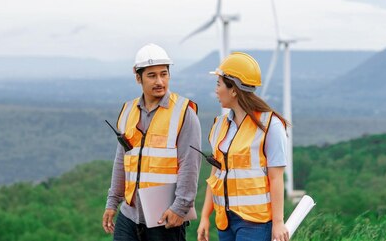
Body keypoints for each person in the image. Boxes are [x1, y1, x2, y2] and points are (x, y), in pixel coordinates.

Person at [103, 43, 202, 241]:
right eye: (152, 75)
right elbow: (121, 161)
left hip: (165, 217)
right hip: (129, 215)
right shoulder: (128, 111)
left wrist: (180, 208)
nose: (160, 81)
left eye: (164, 74)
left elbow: (190, 166)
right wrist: (112, 202)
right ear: (138, 77)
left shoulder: (184, 113)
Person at [197, 52, 290, 241]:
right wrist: (205, 216)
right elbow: (215, 176)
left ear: (233, 90)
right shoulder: (220, 126)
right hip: (225, 221)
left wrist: (278, 222)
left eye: (218, 84)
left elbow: (276, 177)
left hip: (255, 223)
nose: (216, 90)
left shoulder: (271, 125)